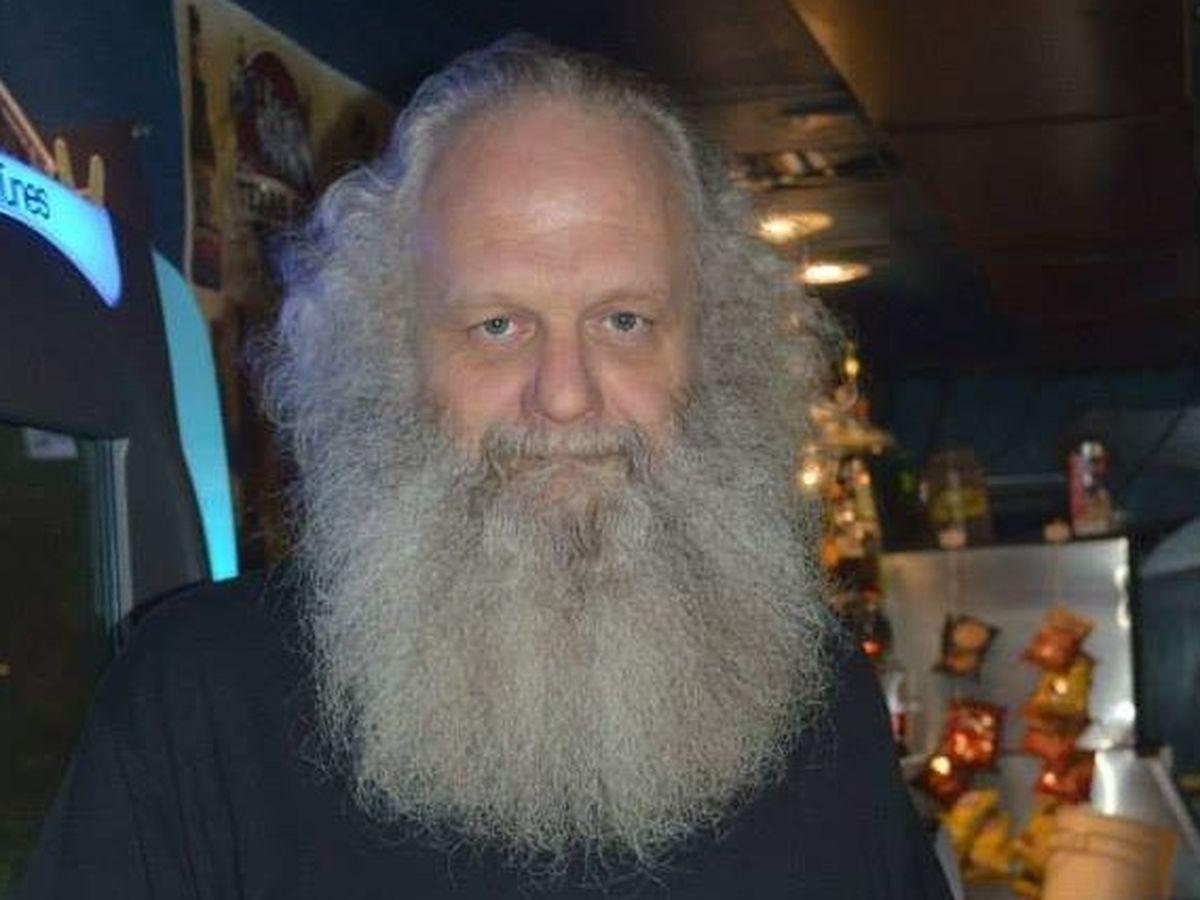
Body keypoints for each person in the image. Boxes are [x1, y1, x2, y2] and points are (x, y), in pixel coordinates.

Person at [22, 37, 952, 898]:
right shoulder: (196, 703)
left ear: (713, 350)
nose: (565, 395)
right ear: (392, 351)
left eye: (624, 321)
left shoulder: (819, 696)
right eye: (497, 325)